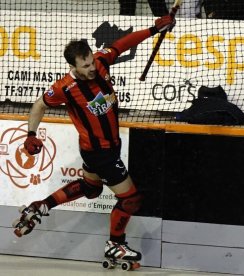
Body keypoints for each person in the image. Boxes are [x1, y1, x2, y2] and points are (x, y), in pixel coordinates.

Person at [17, 14, 176, 264]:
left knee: (92, 189)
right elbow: (38, 106)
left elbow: (123, 43)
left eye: (91, 62)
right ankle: (115, 244)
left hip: (106, 147)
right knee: (130, 199)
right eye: (85, 66)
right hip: (99, 152)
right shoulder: (65, 88)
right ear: (73, 67)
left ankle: (41, 206)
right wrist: (31, 134)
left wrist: (153, 29)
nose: (91, 68)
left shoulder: (101, 62)